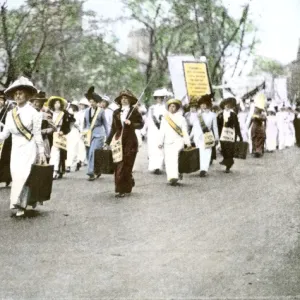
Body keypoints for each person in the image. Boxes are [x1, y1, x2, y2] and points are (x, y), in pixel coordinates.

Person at [0, 76, 46, 217]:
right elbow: (5, 133)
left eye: (20, 93)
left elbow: (37, 134)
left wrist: (42, 152)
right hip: (16, 148)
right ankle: (22, 201)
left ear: (27, 95)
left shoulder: (34, 113)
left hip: (29, 147)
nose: (18, 96)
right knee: (16, 175)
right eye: (16, 94)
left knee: (25, 175)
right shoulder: (9, 114)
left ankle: (20, 204)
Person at [106, 89, 144, 197]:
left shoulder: (135, 111)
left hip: (131, 141)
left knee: (128, 164)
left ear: (130, 100)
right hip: (118, 140)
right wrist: (107, 142)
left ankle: (128, 184)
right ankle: (120, 189)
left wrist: (131, 123)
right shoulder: (116, 112)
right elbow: (113, 129)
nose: (124, 100)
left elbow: (141, 124)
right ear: (120, 100)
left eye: (126, 98)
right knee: (119, 164)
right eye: (122, 98)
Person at [158, 98, 191, 186]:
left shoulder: (181, 118)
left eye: (174, 106)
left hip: (178, 141)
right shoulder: (165, 118)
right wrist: (160, 142)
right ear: (168, 108)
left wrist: (187, 142)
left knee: (176, 158)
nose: (172, 108)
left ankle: (175, 176)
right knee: (168, 160)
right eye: (170, 106)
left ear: (177, 108)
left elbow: (184, 131)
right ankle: (171, 176)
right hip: (167, 141)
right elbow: (162, 131)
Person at [83, 87, 109, 181]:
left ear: (96, 102)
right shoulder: (86, 111)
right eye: (90, 101)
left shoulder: (101, 111)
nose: (91, 103)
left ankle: (91, 172)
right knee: (88, 152)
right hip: (88, 134)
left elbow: (105, 124)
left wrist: (108, 137)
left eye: (93, 101)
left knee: (93, 152)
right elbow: (85, 124)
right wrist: (83, 133)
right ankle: (97, 170)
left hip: (99, 134)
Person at [190, 94, 219, 177]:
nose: (203, 106)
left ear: (208, 104)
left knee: (207, 152)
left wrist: (216, 138)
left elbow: (215, 127)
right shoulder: (197, 114)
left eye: (204, 104)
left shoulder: (213, 115)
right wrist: (190, 136)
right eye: (201, 104)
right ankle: (201, 167)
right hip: (198, 136)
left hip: (207, 135)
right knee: (200, 152)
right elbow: (194, 125)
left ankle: (204, 169)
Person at [48, 96, 74, 179]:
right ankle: (54, 169)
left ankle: (55, 170)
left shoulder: (64, 113)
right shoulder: (50, 113)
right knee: (52, 152)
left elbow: (68, 126)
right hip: (50, 134)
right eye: (55, 103)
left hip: (60, 134)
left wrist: (63, 131)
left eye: (58, 103)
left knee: (56, 152)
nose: (57, 104)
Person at [218, 97, 242, 173]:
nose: (227, 106)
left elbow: (237, 125)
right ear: (223, 106)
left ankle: (228, 164)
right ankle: (226, 160)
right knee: (224, 149)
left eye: (229, 105)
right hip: (222, 134)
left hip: (231, 134)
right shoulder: (220, 115)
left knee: (230, 149)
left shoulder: (233, 115)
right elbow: (218, 125)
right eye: (226, 105)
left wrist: (239, 135)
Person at [146, 88, 168, 174]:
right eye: (158, 97)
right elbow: (148, 120)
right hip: (152, 130)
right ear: (155, 98)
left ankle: (158, 166)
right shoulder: (151, 108)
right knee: (152, 148)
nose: (160, 99)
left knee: (160, 147)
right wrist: (144, 130)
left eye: (161, 97)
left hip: (161, 129)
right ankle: (153, 166)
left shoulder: (166, 108)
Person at [31, 91, 55, 163]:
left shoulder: (46, 115)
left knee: (42, 162)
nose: (35, 104)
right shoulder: (28, 114)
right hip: (30, 141)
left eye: (37, 102)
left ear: (42, 103)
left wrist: (43, 131)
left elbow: (53, 128)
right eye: (33, 102)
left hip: (43, 140)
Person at [0, 91, 12, 186]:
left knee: (4, 157)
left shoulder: (7, 111)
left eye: (1, 99)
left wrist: (2, 125)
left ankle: (5, 178)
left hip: (5, 137)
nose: (0, 101)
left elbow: (9, 126)